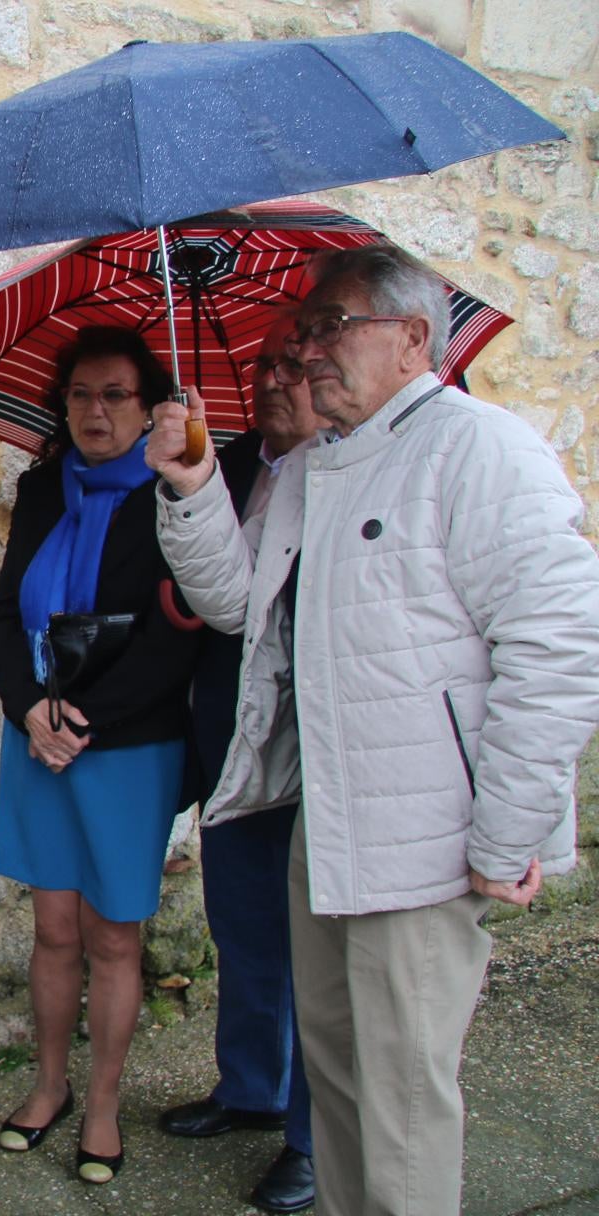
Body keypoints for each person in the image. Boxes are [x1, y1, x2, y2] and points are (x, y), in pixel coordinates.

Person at [149, 243, 599, 1216]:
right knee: (342, 1077)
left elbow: (560, 644)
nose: (309, 351)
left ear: (410, 338)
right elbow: (235, 600)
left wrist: (509, 833)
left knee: (401, 1102)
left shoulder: (480, 448)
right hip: (332, 827)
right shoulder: (317, 467)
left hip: (431, 845)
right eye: (305, 331)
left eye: (331, 327)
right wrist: (190, 480)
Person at [0, 326, 203, 1186]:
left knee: (115, 936)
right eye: (79, 394)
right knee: (54, 930)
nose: (95, 411)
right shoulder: (42, 490)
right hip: (38, 733)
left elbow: (176, 638)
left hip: (125, 744)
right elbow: (5, 615)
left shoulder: (173, 494)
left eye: (115, 395)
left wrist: (84, 719)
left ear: (151, 408)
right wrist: (29, 708)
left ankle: (104, 1103)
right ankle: (49, 1087)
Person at [154, 314, 318, 1214]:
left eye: (293, 365)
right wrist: (190, 487)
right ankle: (251, 1089)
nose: (272, 380)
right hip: (233, 735)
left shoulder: (349, 466)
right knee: (245, 927)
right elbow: (227, 601)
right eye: (263, 366)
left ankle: (313, 1136)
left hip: (319, 747)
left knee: (317, 955)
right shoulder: (242, 459)